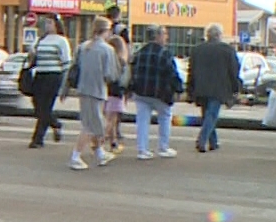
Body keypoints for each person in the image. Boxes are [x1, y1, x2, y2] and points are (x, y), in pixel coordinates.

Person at [69, 16, 119, 171]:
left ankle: (99, 152)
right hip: (97, 90)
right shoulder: (107, 49)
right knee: (90, 125)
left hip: (83, 88)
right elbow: (110, 75)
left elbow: (74, 67)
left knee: (93, 122)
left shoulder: (83, 47)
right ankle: (76, 156)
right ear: (106, 31)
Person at [129, 26, 183, 159]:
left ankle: (142, 150)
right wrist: (179, 89)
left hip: (141, 92)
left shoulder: (139, 52)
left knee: (142, 120)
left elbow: (133, 71)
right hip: (160, 93)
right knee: (164, 118)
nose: (166, 38)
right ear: (158, 36)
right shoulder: (164, 54)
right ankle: (163, 148)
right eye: (164, 34)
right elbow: (172, 74)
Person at [188, 23, 240, 153]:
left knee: (207, 115)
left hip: (201, 88)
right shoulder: (227, 50)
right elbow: (234, 71)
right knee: (211, 115)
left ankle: (214, 142)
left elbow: (191, 71)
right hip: (219, 89)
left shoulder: (197, 50)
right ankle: (202, 139)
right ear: (219, 35)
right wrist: (236, 88)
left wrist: (190, 89)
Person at [25, 17, 71, 148]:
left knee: (45, 107)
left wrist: (64, 83)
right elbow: (33, 60)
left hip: (53, 76)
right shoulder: (41, 40)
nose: (47, 25)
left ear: (57, 25)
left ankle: (38, 139)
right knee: (38, 106)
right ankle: (55, 123)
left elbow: (66, 62)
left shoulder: (61, 41)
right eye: (45, 23)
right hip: (40, 75)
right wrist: (32, 54)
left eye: (50, 23)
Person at [103, 25, 132, 153]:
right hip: (116, 92)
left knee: (109, 118)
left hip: (105, 91)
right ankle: (100, 141)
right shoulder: (121, 62)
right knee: (112, 119)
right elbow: (125, 79)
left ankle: (113, 142)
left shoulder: (106, 59)